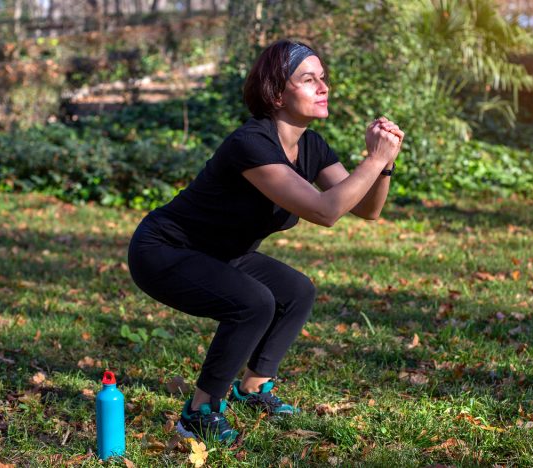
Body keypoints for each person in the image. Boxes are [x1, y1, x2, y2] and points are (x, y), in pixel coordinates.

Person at [127, 39, 403, 443]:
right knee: (253, 302)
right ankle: (199, 413)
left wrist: (386, 164)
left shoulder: (311, 145)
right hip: (164, 250)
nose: (323, 87)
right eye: (309, 79)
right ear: (276, 93)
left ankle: (254, 387)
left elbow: (366, 209)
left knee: (296, 291)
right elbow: (325, 211)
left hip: (222, 253)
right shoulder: (252, 144)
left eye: (323, 78)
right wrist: (373, 159)